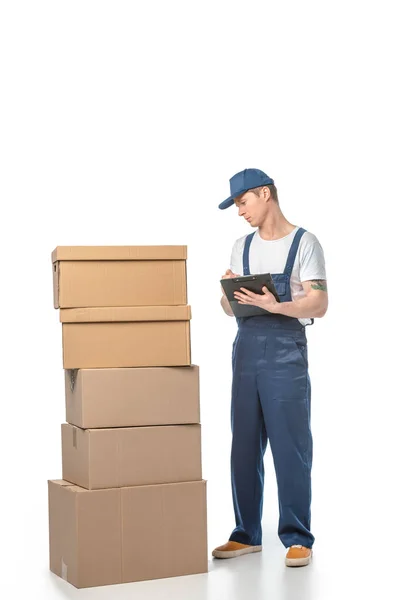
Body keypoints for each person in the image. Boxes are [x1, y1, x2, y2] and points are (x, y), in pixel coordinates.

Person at [212, 168, 328, 568]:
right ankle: (246, 534)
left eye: (243, 202)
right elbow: (228, 309)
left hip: (285, 350)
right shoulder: (240, 246)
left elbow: (319, 303)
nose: (240, 212)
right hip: (245, 349)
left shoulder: (304, 242)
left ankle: (298, 536)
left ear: (265, 194)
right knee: (243, 445)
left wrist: (277, 306)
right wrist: (228, 291)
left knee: (290, 446)